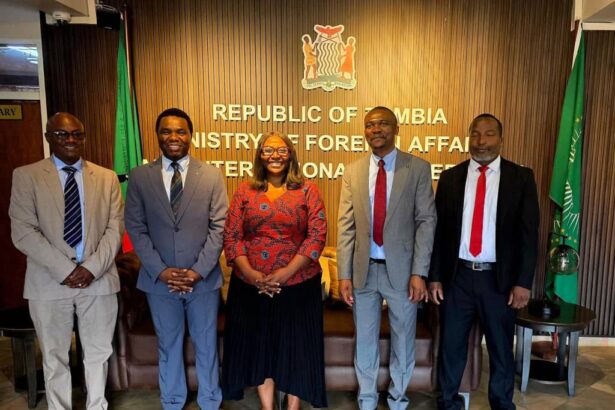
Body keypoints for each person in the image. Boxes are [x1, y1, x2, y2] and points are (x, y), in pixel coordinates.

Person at [9, 112, 123, 409]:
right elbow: (23, 232)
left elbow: (115, 229)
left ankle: (97, 405)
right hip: (49, 282)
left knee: (98, 353)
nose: (70, 139)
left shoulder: (107, 177)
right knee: (54, 356)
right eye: (62, 134)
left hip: (98, 281)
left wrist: (91, 269)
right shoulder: (26, 176)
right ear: (49, 137)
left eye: (76, 134)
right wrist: (67, 269)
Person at [428, 113, 539, 410]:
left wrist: (523, 282)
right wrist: (435, 276)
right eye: (475, 134)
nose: (481, 141)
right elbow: (440, 233)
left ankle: (501, 404)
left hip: (499, 282)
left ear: (501, 138)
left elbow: (529, 235)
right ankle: (449, 403)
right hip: (458, 278)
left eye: (489, 134)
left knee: (501, 349)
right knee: (452, 347)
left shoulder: (521, 178)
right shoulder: (451, 178)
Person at [124, 108, 228, 410]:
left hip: (203, 281)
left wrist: (197, 271)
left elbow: (220, 226)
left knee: (206, 345)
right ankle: (172, 401)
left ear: (190, 135)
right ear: (157, 135)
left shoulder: (211, 175)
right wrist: (162, 271)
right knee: (168, 344)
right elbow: (135, 227)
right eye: (166, 131)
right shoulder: (140, 176)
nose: (174, 137)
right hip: (159, 283)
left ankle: (210, 401)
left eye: (180, 131)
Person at [337, 106, 437, 410]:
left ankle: (397, 400)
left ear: (396, 128)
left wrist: (419, 272)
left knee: (403, 340)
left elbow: (426, 221)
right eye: (370, 125)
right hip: (363, 272)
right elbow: (346, 226)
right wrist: (344, 274)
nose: (376, 129)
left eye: (383, 124)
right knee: (365, 341)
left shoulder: (417, 169)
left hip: (404, 274)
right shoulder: (353, 171)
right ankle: (367, 400)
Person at [221, 131, 327, 410]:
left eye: (281, 150)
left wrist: (285, 273)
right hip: (251, 287)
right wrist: (253, 275)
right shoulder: (245, 191)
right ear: (260, 156)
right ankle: (268, 407)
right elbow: (232, 236)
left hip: (299, 287)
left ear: (290, 155)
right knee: (261, 348)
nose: (275, 156)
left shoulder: (308, 190)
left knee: (296, 349)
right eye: (268, 150)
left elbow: (316, 236)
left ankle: (292, 407)